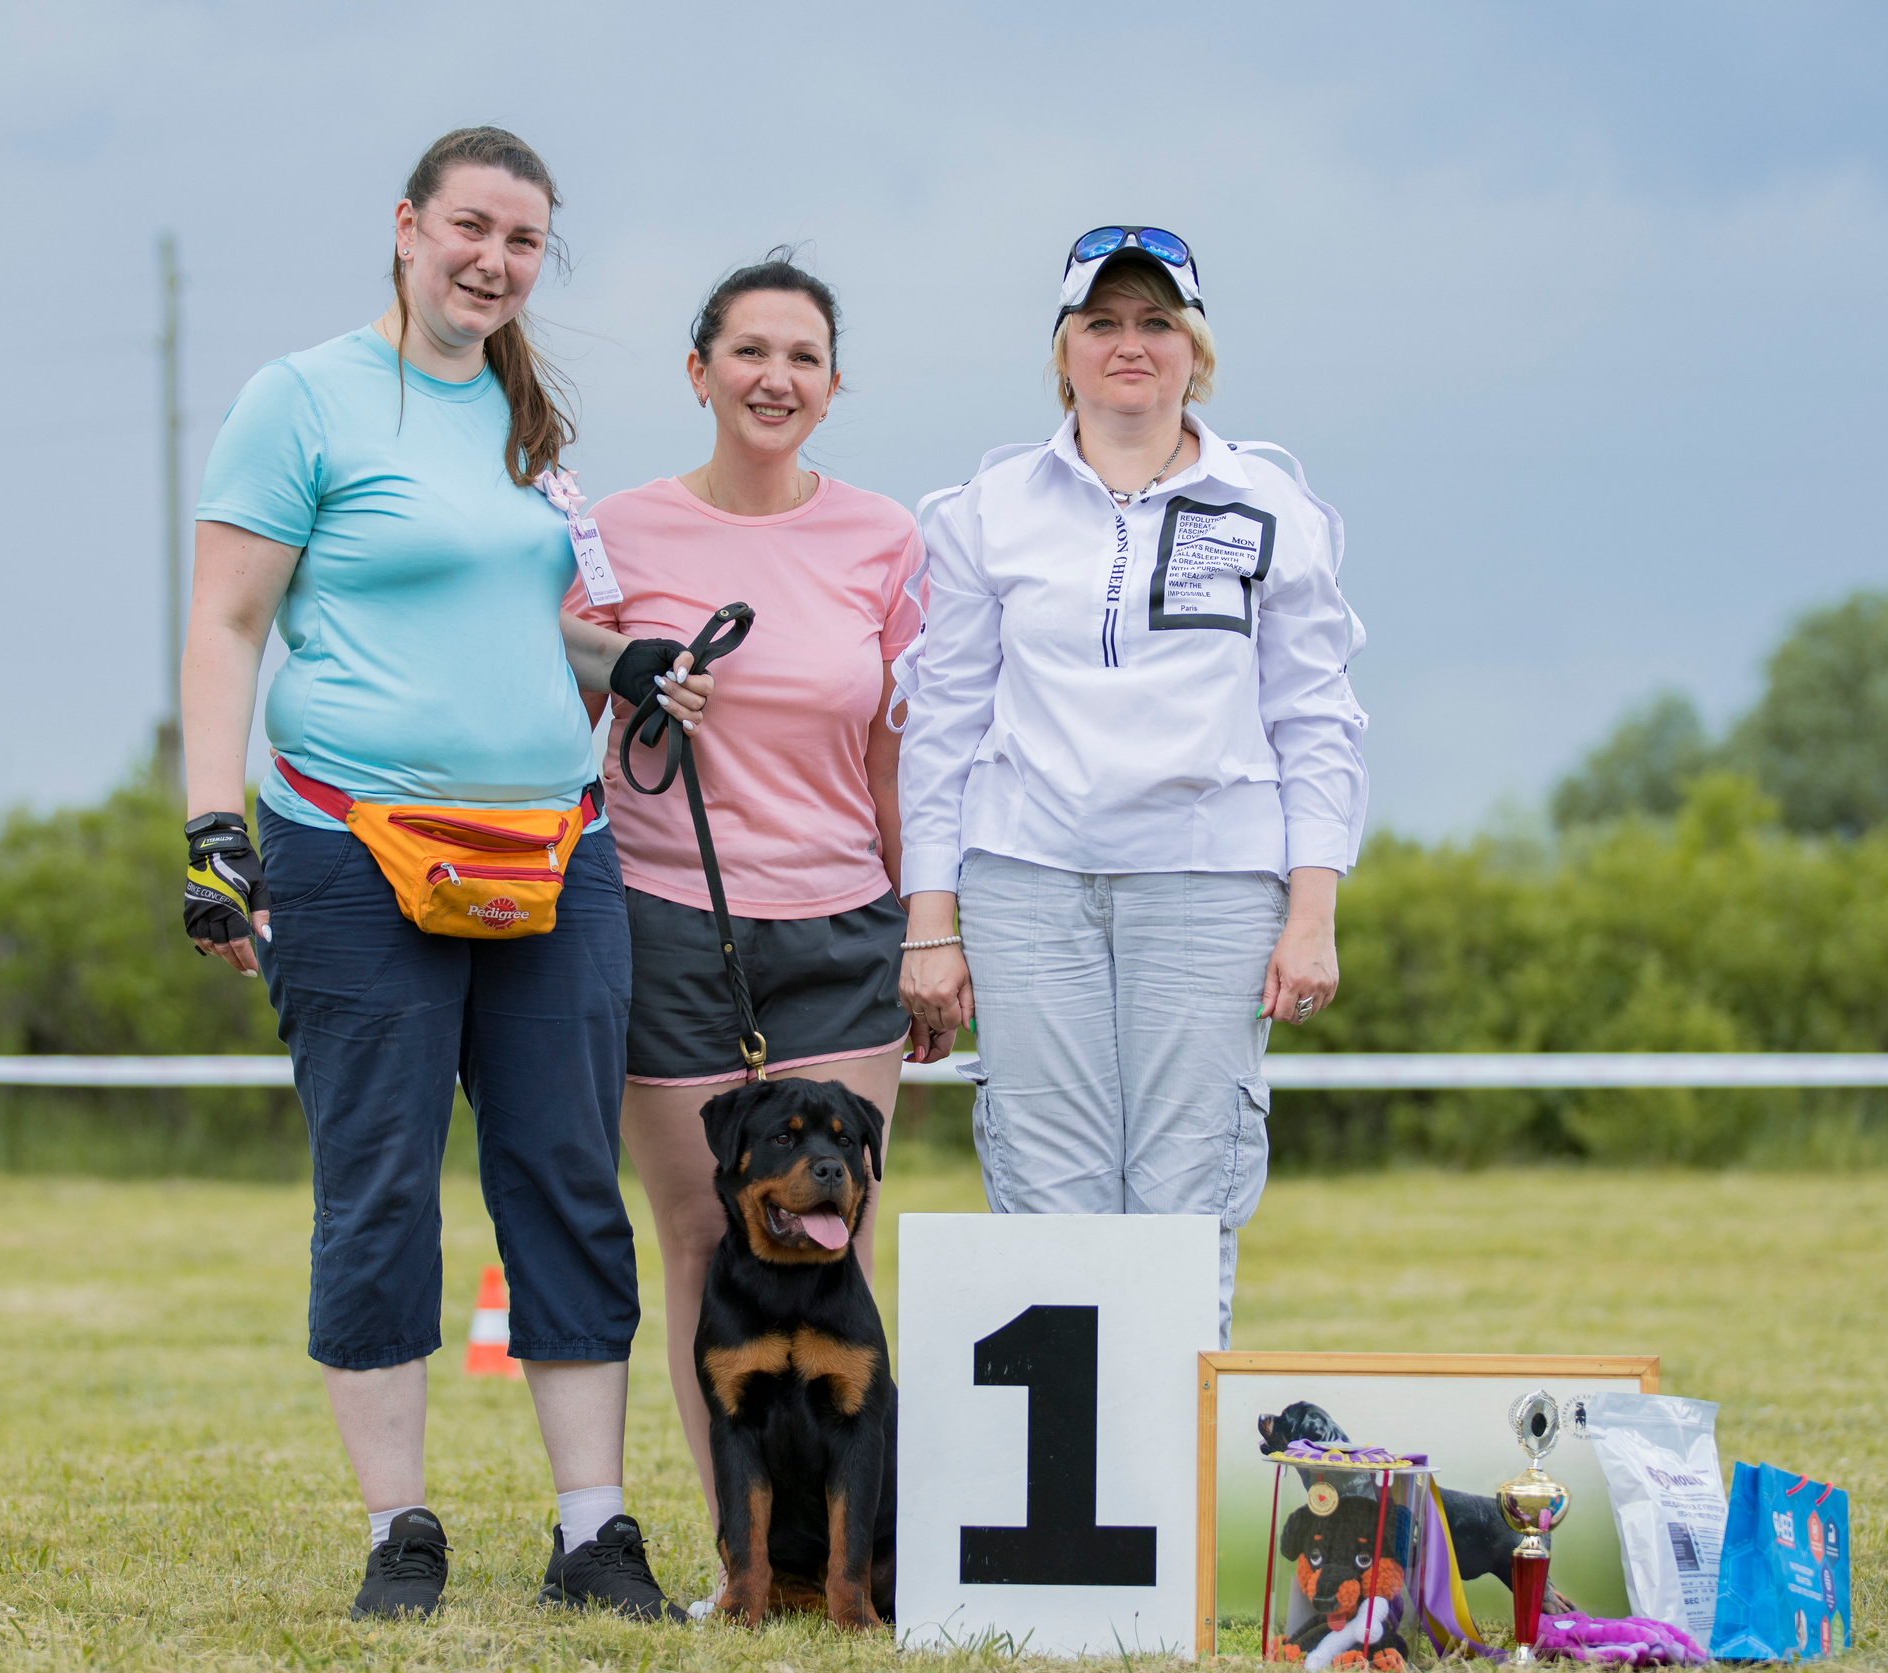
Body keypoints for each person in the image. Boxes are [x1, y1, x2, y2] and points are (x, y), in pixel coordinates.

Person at [176, 125, 713, 1622]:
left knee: (566, 1177)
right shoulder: (301, 400)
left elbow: (513, 617)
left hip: (555, 849)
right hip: (354, 849)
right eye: (471, 227)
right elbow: (226, 622)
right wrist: (212, 827)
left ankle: (593, 1532)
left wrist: (621, 661)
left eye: (523, 240)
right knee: (379, 1185)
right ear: (407, 226)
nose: (494, 260)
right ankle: (399, 1529)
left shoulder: (530, 422)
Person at [894, 226, 1369, 1347]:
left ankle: (1172, 1454)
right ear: (1062, 352)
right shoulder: (986, 507)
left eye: (1157, 321)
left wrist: (1312, 915)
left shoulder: (1269, 503)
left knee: (1186, 1198)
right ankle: (1067, 1463)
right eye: (1101, 322)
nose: (1130, 344)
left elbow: (1316, 718)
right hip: (1025, 885)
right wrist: (931, 923)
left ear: (1195, 351)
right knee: (1044, 1192)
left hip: (1212, 886)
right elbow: (942, 724)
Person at [563, 250, 932, 1527]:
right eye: (750, 352)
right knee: (703, 1238)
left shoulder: (885, 538)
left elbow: (894, 756)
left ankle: (846, 1551)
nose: (776, 377)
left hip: (842, 929)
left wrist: (928, 933)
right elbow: (554, 680)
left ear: (832, 385)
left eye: (803, 357)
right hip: (667, 925)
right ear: (699, 372)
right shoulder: (618, 531)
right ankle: (742, 1557)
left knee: (838, 1234)